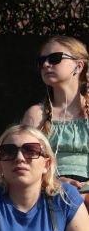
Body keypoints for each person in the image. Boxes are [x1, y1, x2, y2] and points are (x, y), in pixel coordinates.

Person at [23, 37, 89, 187]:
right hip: (50, 188)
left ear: (79, 66)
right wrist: (55, 182)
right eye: (41, 61)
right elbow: (27, 163)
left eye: (55, 58)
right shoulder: (36, 115)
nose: (46, 65)